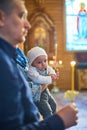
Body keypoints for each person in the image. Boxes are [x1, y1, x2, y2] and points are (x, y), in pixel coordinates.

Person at [0, 0, 78, 130]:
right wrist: (60, 121)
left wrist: (50, 76)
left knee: (51, 105)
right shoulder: (3, 65)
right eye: (21, 16)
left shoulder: (14, 55)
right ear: (1, 18)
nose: (28, 25)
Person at [27, 46, 57, 119]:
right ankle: (47, 124)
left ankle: (52, 120)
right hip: (38, 95)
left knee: (53, 105)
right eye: (39, 62)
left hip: (45, 91)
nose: (43, 64)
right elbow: (38, 79)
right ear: (31, 63)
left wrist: (53, 74)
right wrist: (50, 79)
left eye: (45, 61)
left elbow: (50, 69)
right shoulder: (31, 71)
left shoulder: (45, 67)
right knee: (47, 111)